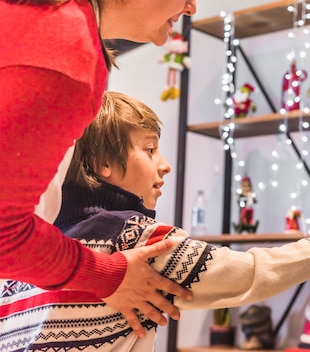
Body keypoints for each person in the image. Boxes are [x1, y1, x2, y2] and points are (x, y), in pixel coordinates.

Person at [0, 91, 310, 351]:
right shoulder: (135, 243)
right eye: (149, 149)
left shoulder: (30, 258)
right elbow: (253, 274)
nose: (165, 166)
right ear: (103, 163)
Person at [0, 0, 197, 337]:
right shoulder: (63, 53)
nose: (192, 7)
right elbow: (5, 233)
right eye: (149, 149)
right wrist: (107, 274)